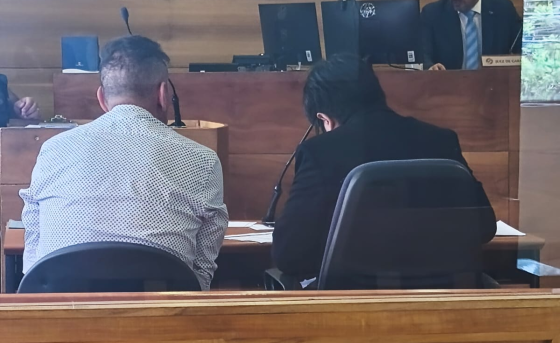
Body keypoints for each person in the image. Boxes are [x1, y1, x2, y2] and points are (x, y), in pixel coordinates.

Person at [19, 35, 228, 290]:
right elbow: (201, 275)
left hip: (63, 312)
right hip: (165, 312)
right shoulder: (202, 160)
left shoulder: (53, 150)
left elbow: (33, 265)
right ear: (163, 94)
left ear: (101, 98)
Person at [272, 54, 496, 283]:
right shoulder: (441, 140)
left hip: (354, 300)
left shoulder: (319, 152)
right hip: (442, 296)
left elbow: (289, 255)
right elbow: (485, 226)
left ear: (324, 119)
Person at [422, 0, 522, 70]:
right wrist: (430, 67)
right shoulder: (432, 13)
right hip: (450, 87)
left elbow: (521, 46)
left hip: (494, 85)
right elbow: (424, 52)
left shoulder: (503, 9)